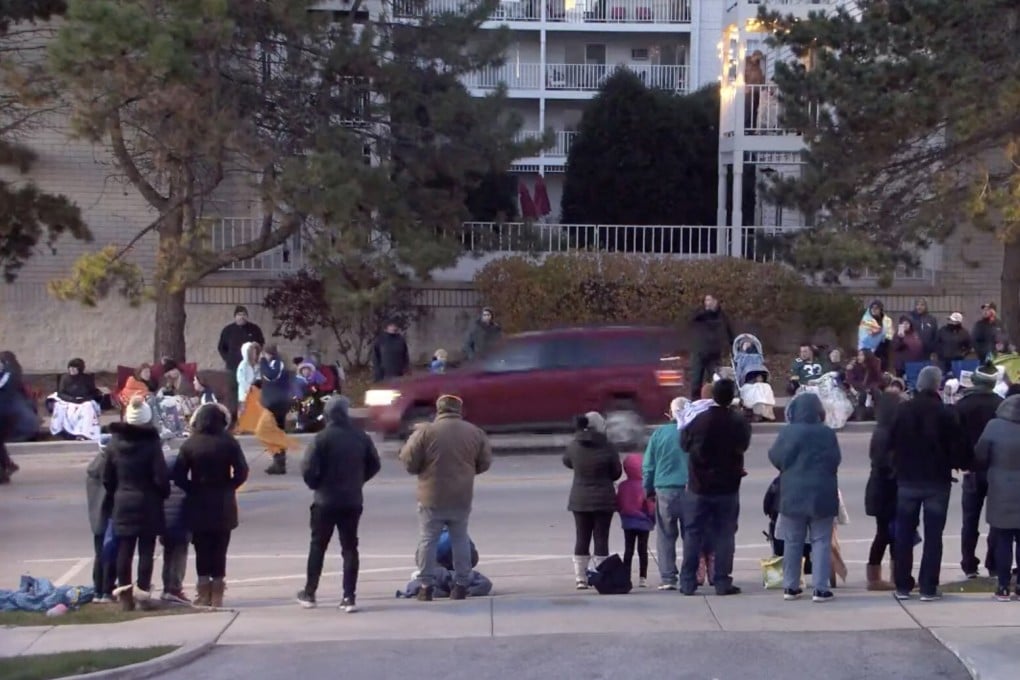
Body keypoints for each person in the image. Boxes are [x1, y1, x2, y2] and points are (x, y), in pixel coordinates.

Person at [398, 394, 492, 602]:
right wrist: (467, 472)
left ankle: (425, 586)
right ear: (459, 409)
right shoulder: (474, 432)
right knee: (460, 539)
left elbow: (408, 460)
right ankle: (460, 585)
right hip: (461, 495)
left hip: (431, 495)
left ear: (438, 410)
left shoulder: (425, 431)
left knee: (428, 540)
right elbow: (485, 462)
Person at [886, 365, 967, 601]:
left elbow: (889, 443)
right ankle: (928, 586)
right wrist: (960, 463)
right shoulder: (946, 413)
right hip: (937, 481)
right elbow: (959, 447)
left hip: (907, 479)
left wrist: (895, 466)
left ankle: (902, 584)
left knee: (904, 535)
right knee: (934, 537)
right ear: (937, 385)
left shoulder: (903, 411)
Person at [296, 397, 381, 612]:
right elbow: (374, 464)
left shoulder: (321, 438)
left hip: (325, 499)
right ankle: (349, 596)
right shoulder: (360, 437)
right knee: (350, 547)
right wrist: (358, 480)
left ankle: (310, 592)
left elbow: (308, 468)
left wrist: (316, 484)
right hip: (352, 499)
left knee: (318, 546)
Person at [172, 403, 249, 608]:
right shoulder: (229, 442)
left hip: (198, 500)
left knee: (202, 549)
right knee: (220, 548)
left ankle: (203, 590)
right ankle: (218, 592)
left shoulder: (190, 444)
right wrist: (230, 486)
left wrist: (191, 487)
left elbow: (178, 474)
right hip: (223, 501)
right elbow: (242, 471)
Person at [678, 379, 750, 596]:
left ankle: (688, 581)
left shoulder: (699, 421)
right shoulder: (739, 422)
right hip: (727, 486)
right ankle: (722, 580)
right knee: (725, 534)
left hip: (699, 487)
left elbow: (684, 444)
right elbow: (743, 446)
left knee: (693, 534)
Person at [769, 392, 842, 602]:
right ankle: (820, 588)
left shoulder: (788, 433)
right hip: (822, 493)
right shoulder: (828, 434)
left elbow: (775, 456)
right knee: (821, 540)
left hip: (792, 493)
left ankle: (791, 587)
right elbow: (835, 460)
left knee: (793, 541)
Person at [104, 396, 171, 611]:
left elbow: (107, 477)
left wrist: (116, 493)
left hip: (123, 499)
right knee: (146, 550)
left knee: (124, 549)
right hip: (148, 501)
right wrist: (163, 493)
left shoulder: (114, 444)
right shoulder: (152, 444)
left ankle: (125, 597)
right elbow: (160, 476)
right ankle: (142, 594)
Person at [563, 412, 622, 590]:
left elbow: (567, 462)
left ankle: (580, 577)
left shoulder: (574, 445)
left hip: (579, 498)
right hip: (604, 498)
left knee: (582, 537)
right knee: (601, 538)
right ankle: (600, 574)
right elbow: (616, 472)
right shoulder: (608, 446)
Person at [954, 363, 1004, 578]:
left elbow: (955, 436)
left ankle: (969, 564)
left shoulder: (963, 405)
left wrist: (960, 462)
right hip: (996, 468)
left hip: (972, 469)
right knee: (996, 519)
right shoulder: (1001, 405)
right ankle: (993, 562)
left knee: (970, 520)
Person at [973, 395, 1020, 601]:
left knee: (1002, 539)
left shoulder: (993, 426)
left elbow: (980, 455)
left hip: (1000, 487)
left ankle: (1002, 585)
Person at [643, 397, 689, 591]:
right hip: (690, 489)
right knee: (691, 535)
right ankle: (690, 575)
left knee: (666, 535)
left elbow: (649, 466)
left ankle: (668, 577)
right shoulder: (692, 433)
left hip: (664, 489)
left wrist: (648, 489)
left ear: (669, 413)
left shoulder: (659, 434)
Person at [864, 380, 907, 591]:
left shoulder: (881, 430)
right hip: (887, 489)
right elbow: (886, 462)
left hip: (880, 489)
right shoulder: (889, 433)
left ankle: (884, 574)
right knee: (888, 534)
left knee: (887, 533)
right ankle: (884, 576)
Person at [217, 306, 265, 423]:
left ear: (246, 316)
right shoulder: (228, 330)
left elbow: (260, 343)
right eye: (239, 315)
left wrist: (255, 358)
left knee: (252, 392)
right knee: (234, 392)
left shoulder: (254, 329)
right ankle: (233, 418)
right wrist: (228, 359)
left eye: (243, 314)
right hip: (233, 367)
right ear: (235, 317)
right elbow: (221, 347)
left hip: (251, 368)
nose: (241, 317)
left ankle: (253, 418)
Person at [617, 453, 654, 588]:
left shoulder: (622, 486)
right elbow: (650, 505)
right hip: (644, 522)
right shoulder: (645, 486)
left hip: (628, 522)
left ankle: (626, 575)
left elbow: (618, 503)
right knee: (642, 550)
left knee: (629, 550)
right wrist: (652, 518)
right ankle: (642, 577)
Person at [85, 437, 115, 603]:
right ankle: (107, 590)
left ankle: (98, 590)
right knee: (110, 554)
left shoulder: (92, 468)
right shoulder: (107, 468)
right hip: (108, 517)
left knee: (99, 554)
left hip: (96, 519)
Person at [688, 294, 735, 400]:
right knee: (696, 381)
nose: (708, 303)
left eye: (710, 300)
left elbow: (730, 332)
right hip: (699, 352)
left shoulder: (722, 316)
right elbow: (690, 320)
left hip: (714, 353)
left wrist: (734, 346)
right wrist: (705, 312)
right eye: (706, 300)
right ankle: (695, 403)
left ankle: (713, 403)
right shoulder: (699, 314)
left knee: (715, 380)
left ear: (716, 301)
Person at [258, 345, 295, 475]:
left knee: (269, 431)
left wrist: (262, 362)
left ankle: (279, 462)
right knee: (276, 431)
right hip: (277, 402)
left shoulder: (276, 363)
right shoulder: (277, 363)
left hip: (276, 404)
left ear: (268, 353)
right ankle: (278, 462)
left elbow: (271, 376)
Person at [160, 452, 191, 605]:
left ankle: (167, 587)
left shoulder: (161, 488)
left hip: (165, 528)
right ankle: (174, 588)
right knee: (179, 559)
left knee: (168, 557)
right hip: (181, 528)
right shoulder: (184, 487)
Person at [49, 358, 102, 441]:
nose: (71, 370)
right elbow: (61, 393)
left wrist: (85, 399)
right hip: (68, 400)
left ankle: (83, 433)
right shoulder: (65, 378)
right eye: (70, 368)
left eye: (74, 368)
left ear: (80, 369)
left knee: (88, 407)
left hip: (83, 401)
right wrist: (71, 399)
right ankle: (66, 432)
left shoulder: (87, 378)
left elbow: (93, 392)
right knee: (62, 408)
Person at [858, 300, 894, 372]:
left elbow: (890, 335)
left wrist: (882, 334)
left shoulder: (887, 320)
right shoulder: (866, 320)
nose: (874, 310)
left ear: (881, 310)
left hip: (882, 351)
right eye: (872, 308)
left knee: (881, 372)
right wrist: (874, 333)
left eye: (876, 308)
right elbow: (862, 337)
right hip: (867, 352)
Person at [235, 341, 262, 434]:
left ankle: (252, 426)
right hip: (245, 391)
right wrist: (248, 387)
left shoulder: (256, 365)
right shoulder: (243, 365)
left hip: (254, 391)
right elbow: (240, 379)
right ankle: (241, 427)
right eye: (252, 352)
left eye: (256, 352)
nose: (254, 354)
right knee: (243, 409)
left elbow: (258, 376)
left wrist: (257, 383)